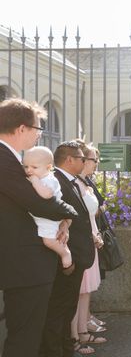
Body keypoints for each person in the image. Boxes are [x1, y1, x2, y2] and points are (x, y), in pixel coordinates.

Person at [0, 98, 77, 357]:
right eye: (37, 129)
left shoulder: (12, 158)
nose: (39, 135)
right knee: (24, 339)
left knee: (27, 335)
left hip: (25, 265)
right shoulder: (3, 157)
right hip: (23, 266)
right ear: (22, 128)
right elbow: (38, 203)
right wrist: (70, 213)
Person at [40, 140, 96, 357]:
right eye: (83, 158)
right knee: (59, 308)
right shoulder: (56, 180)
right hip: (65, 258)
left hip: (77, 256)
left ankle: (65, 348)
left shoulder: (71, 180)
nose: (85, 161)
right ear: (70, 159)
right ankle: (54, 351)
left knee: (68, 307)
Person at [71, 142, 106, 355]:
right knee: (77, 291)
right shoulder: (74, 183)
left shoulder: (86, 183)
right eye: (93, 159)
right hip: (84, 237)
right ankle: (74, 337)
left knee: (86, 291)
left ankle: (83, 331)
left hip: (92, 235)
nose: (95, 163)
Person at [22, 146, 74, 274]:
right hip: (41, 217)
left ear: (48, 167)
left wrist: (34, 181)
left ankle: (65, 253)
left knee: (49, 241)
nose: (29, 170)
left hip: (48, 218)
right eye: (26, 166)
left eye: (34, 167)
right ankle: (63, 247)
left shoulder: (49, 180)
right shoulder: (40, 177)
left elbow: (46, 195)